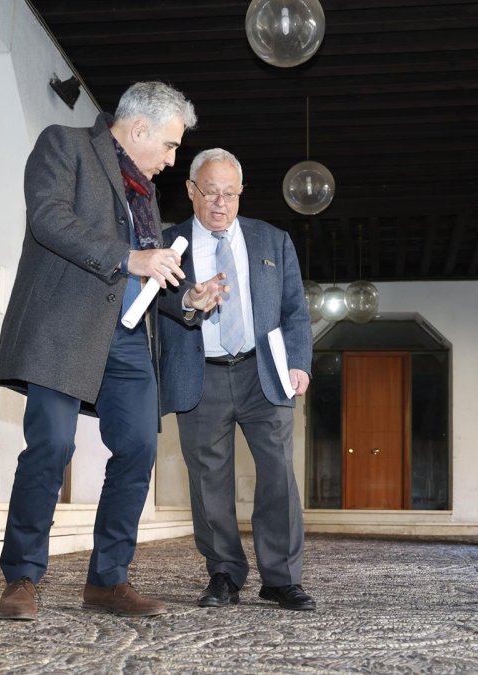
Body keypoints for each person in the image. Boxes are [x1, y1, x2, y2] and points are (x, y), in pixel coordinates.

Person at [0, 82, 222, 621]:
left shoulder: (143, 190)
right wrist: (131, 257)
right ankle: (22, 576)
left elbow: (143, 274)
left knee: (139, 450)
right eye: (169, 146)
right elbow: (49, 219)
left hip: (128, 340)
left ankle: (108, 580)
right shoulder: (64, 145)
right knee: (50, 446)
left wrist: (186, 297)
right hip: (64, 328)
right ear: (139, 129)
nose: (171, 160)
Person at [157, 148, 316, 611]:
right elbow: (156, 302)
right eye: (210, 192)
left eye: (230, 193)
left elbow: (294, 311)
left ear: (241, 193)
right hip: (199, 374)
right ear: (191, 191)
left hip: (263, 372)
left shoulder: (273, 241)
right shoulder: (171, 244)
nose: (220, 203)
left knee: (279, 475)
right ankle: (224, 573)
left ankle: (281, 578)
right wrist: (188, 298)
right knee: (209, 480)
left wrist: (300, 362)